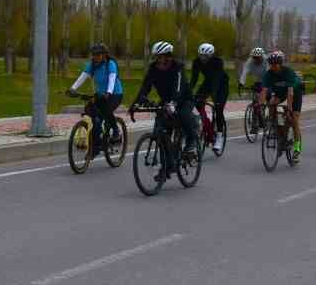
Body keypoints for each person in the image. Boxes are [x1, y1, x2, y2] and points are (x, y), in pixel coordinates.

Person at [129, 41, 197, 181]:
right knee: (160, 131)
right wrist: (135, 104)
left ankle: (192, 141)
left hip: (183, 99)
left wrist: (174, 103)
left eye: (161, 57)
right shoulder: (153, 68)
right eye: (157, 57)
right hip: (166, 101)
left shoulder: (177, 68)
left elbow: (178, 88)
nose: (158, 60)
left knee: (184, 116)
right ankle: (167, 167)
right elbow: (145, 86)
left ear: (168, 57)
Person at [68, 42, 124, 156]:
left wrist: (108, 92)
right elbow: (83, 76)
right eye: (93, 55)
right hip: (100, 94)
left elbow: (112, 79)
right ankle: (96, 145)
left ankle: (116, 132)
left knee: (106, 111)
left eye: (98, 55)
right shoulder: (92, 64)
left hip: (115, 94)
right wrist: (72, 89)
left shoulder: (110, 64)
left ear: (104, 55)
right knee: (92, 113)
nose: (95, 57)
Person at [257, 50, 305, 159]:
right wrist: (260, 106)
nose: (273, 66)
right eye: (271, 64)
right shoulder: (268, 74)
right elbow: (263, 91)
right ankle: (275, 126)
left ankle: (297, 148)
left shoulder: (288, 72)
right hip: (280, 92)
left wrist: (289, 108)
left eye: (275, 64)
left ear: (280, 64)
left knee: (294, 119)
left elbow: (290, 93)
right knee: (271, 103)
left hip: (294, 93)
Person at [189, 42, 230, 152]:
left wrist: (214, 96)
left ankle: (220, 137)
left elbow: (216, 80)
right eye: (201, 55)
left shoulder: (218, 62)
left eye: (205, 56)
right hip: (208, 82)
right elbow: (194, 78)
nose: (203, 58)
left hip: (221, 84)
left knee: (218, 108)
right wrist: (188, 92)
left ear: (211, 55)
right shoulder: (196, 62)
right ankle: (206, 124)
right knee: (197, 102)